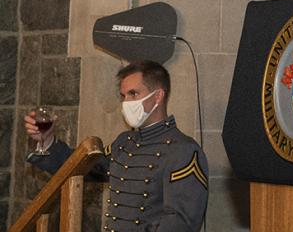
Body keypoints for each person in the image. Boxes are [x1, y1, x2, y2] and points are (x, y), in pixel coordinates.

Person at [25, 60, 208, 231]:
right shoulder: (124, 142)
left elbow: (180, 223)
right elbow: (85, 167)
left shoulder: (183, 150)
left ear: (158, 96)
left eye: (133, 94)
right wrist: (47, 141)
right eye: (123, 96)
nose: (127, 102)